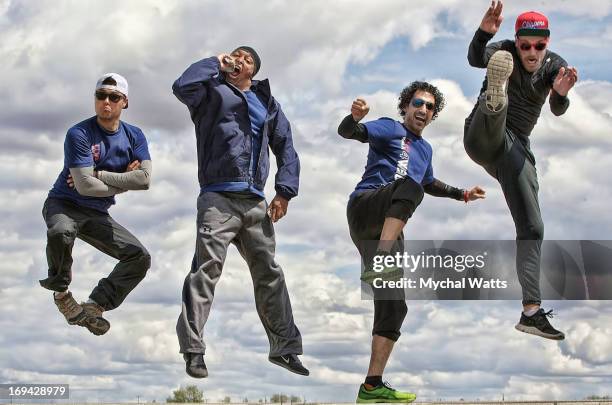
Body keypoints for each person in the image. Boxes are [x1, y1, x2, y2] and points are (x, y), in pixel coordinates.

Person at [339, 81, 485, 403]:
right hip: (366, 209)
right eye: (417, 103)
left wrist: (461, 194)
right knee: (409, 188)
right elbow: (351, 133)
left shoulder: (425, 150)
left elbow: (428, 182)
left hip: (392, 226)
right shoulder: (389, 128)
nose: (422, 110)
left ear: (433, 116)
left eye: (429, 107)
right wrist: (354, 118)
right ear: (405, 107)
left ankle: (372, 386)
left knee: (395, 307)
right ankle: (380, 261)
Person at [172, 46, 308, 378]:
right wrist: (214, 63)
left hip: (255, 203)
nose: (238, 60)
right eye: (235, 55)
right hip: (217, 198)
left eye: (246, 59)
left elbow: (286, 145)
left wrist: (285, 192)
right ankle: (193, 350)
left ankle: (285, 349)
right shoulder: (209, 91)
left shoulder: (268, 103)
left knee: (270, 273)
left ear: (253, 71)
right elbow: (180, 86)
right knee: (206, 271)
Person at [464, 0, 578, 340]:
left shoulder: (555, 65)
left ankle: (531, 312)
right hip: (483, 134)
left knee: (533, 225)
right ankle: (495, 100)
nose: (531, 53)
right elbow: (474, 58)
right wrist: (485, 32)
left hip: (517, 148)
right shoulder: (504, 50)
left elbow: (558, 110)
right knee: (495, 108)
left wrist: (560, 94)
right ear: (517, 41)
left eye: (538, 46)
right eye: (525, 46)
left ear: (547, 43)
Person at [40, 73, 152, 336]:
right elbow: (83, 186)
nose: (106, 101)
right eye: (101, 95)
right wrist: (125, 181)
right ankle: (61, 294)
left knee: (140, 257)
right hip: (64, 204)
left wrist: (100, 175)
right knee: (61, 231)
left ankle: (96, 304)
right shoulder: (79, 133)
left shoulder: (134, 136)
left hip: (97, 212)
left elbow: (145, 180)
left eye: (114, 97)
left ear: (125, 102)